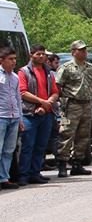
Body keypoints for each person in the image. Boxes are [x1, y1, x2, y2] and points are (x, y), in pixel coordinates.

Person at [17, 44, 59, 185]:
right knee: (28, 145)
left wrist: (48, 103)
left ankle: (36, 173)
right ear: (31, 55)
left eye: (43, 54)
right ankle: (23, 175)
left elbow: (55, 92)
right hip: (29, 114)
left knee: (41, 146)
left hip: (46, 114)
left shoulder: (48, 72)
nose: (41, 56)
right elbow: (23, 92)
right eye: (38, 54)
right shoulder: (24, 72)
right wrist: (42, 102)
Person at [55, 40, 92, 177]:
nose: (84, 52)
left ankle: (77, 163)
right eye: (81, 50)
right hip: (71, 105)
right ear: (73, 52)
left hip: (86, 104)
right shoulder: (66, 68)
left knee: (84, 136)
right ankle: (62, 163)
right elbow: (57, 86)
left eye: (85, 50)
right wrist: (62, 102)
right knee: (66, 134)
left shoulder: (90, 67)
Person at [0, 46, 23, 189]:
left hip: (13, 117)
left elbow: (17, 98)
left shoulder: (15, 77)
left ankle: (4, 178)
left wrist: (20, 118)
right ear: (1, 60)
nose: (14, 62)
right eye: (10, 59)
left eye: (15, 59)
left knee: (9, 150)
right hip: (1, 116)